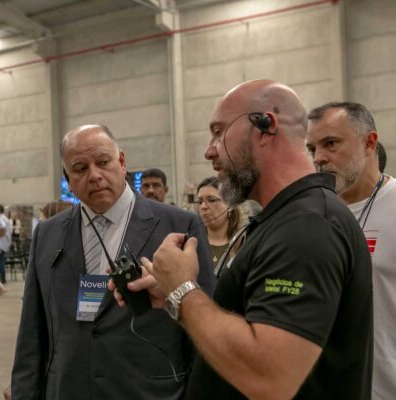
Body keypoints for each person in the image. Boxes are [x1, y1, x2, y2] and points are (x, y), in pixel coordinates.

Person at [114, 81, 373, 399]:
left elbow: (270, 376)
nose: (210, 150)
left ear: (266, 127)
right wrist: (171, 293)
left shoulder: (307, 226)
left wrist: (183, 292)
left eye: (219, 132)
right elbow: (249, 326)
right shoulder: (284, 219)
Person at [11, 124, 215, 400]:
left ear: (121, 161)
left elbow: (204, 330)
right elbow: (31, 334)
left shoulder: (179, 227)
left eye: (103, 162)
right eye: (80, 169)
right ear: (68, 178)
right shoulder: (47, 234)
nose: (94, 176)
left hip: (149, 391)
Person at [307, 101, 395, 399]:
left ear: (370, 142)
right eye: (312, 149)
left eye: (331, 144)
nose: (319, 158)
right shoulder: (313, 216)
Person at [195, 176, 241, 266]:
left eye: (211, 200)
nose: (203, 206)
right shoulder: (191, 244)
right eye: (200, 202)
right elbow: (182, 279)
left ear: (230, 205)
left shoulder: (243, 245)